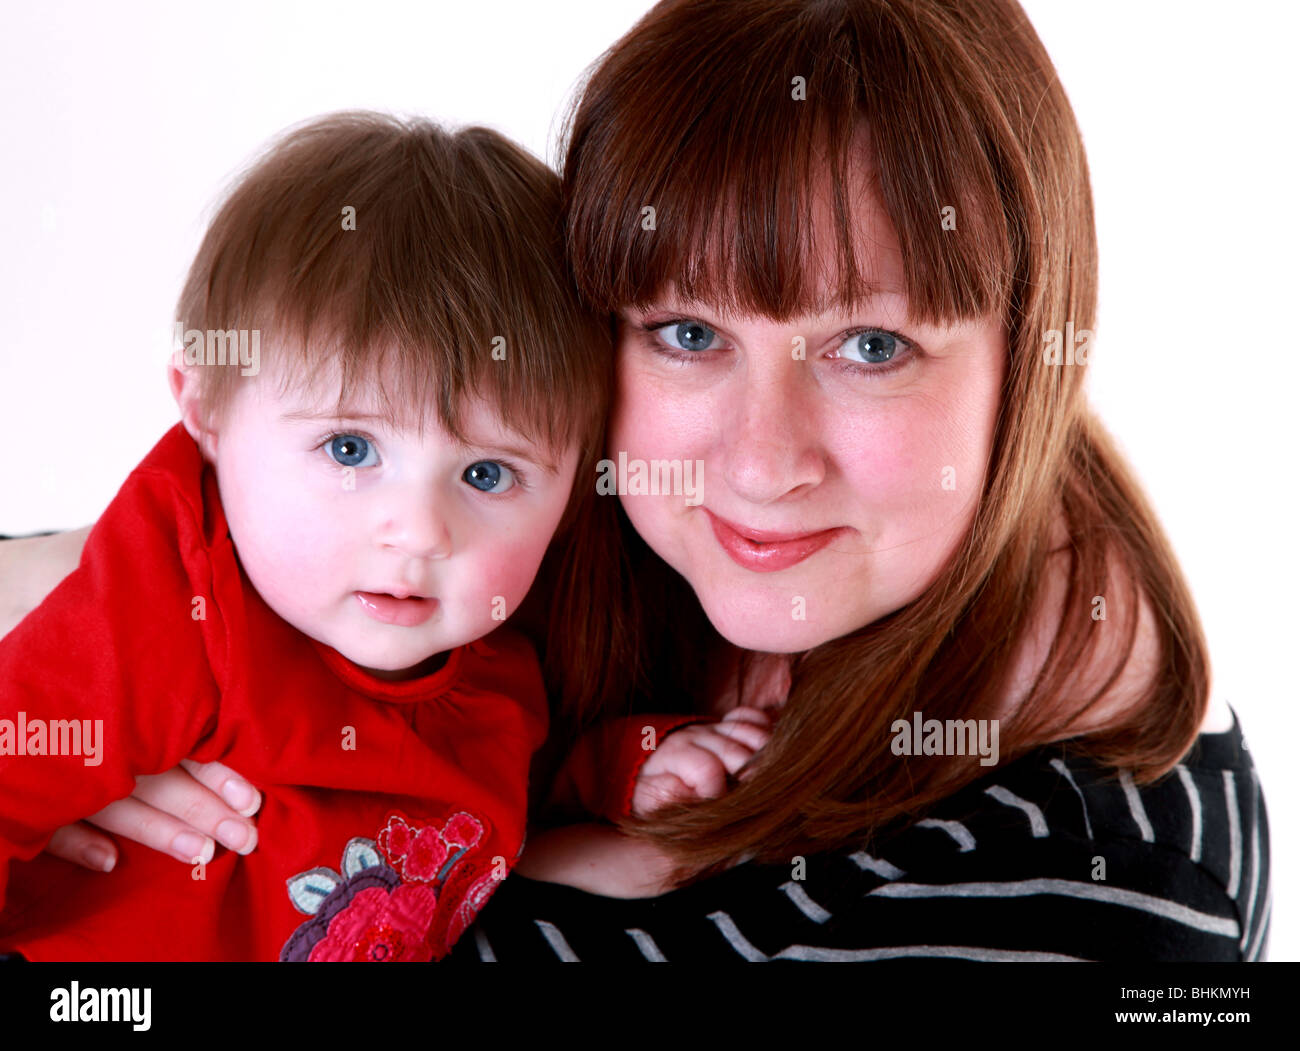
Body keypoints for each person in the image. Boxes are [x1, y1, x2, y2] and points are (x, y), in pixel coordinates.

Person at [2, 0, 1269, 962]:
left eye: (870, 346)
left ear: (1038, 348)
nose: (762, 464)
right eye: (685, 332)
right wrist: (120, 696)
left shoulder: (1094, 890)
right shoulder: (536, 529)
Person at [0, 110, 719, 962]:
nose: (418, 530)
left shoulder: (494, 640)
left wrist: (627, 766)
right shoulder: (172, 606)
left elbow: (500, 766)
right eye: (350, 448)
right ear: (207, 411)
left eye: (487, 473)